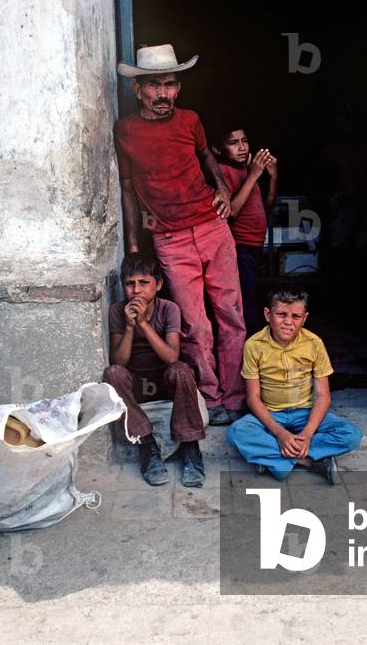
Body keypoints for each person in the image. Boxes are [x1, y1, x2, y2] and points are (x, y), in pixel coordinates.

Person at [114, 44, 246, 427]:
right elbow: (126, 187)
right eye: (154, 86)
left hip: (212, 227)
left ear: (178, 88)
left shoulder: (190, 120)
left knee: (231, 315)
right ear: (138, 90)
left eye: (170, 85)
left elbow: (206, 157)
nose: (163, 94)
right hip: (169, 240)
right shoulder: (125, 131)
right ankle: (210, 395)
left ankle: (237, 396)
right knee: (194, 324)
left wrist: (221, 188)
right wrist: (135, 245)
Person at [225, 288, 363, 484]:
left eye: (296, 316)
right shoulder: (254, 345)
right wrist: (280, 433)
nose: (288, 322)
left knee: (351, 434)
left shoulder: (314, 343)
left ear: (304, 318)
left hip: (305, 413)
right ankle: (308, 462)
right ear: (267, 314)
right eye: (281, 314)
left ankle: (273, 459)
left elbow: (323, 396)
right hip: (271, 414)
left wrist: (307, 434)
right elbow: (253, 398)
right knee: (236, 432)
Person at [103, 253, 207, 487]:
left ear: (158, 285)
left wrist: (143, 324)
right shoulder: (117, 311)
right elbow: (118, 361)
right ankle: (146, 444)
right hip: (136, 386)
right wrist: (130, 327)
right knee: (112, 374)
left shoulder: (169, 309)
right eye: (130, 284)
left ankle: (190, 446)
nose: (137, 290)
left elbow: (172, 357)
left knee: (181, 370)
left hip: (164, 381)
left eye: (144, 283)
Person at [212, 125, 279, 334]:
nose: (241, 147)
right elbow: (231, 212)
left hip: (254, 246)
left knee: (252, 295)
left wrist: (273, 176)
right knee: (245, 302)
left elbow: (267, 205)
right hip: (239, 248)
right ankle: (249, 351)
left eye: (244, 141)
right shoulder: (224, 172)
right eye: (233, 143)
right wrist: (254, 175)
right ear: (217, 149)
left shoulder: (246, 170)